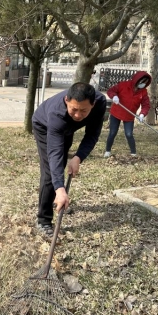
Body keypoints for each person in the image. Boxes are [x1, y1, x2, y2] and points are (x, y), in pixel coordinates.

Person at [32, 82, 106, 237]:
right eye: (74, 109)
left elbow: (92, 134)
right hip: (44, 125)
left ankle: (57, 199)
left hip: (67, 128)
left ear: (93, 104)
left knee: (63, 163)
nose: (78, 115)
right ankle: (43, 220)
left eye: (83, 110)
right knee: (50, 171)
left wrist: (78, 157)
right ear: (66, 100)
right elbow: (55, 153)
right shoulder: (57, 113)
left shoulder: (100, 103)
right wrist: (60, 188)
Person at [104, 71, 151, 158]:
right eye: (142, 82)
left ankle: (133, 153)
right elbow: (111, 91)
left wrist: (142, 114)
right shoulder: (123, 85)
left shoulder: (143, 92)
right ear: (137, 80)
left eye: (145, 83)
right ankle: (107, 151)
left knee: (129, 134)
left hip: (129, 115)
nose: (143, 84)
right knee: (112, 132)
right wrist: (114, 96)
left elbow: (146, 105)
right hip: (116, 112)